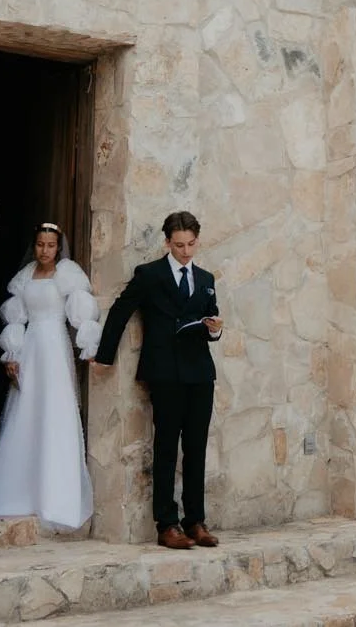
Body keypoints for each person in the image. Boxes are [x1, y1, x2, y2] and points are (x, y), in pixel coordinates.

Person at [91, 210, 223, 549]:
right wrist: (104, 356)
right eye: (179, 245)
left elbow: (209, 320)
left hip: (199, 373)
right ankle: (167, 524)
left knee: (196, 448)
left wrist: (215, 330)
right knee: (166, 447)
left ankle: (195, 521)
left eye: (191, 244)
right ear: (167, 242)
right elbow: (122, 309)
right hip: (165, 372)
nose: (186, 251)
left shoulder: (206, 278)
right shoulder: (149, 274)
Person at [0, 222, 102, 529]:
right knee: (25, 412)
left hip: (55, 349)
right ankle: (17, 493)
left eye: (51, 245)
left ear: (59, 248)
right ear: (35, 246)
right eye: (41, 245)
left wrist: (88, 344)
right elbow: (17, 318)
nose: (45, 250)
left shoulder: (67, 273)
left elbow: (80, 310)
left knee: (54, 412)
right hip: (31, 349)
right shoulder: (24, 276)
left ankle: (55, 496)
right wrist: (12, 354)